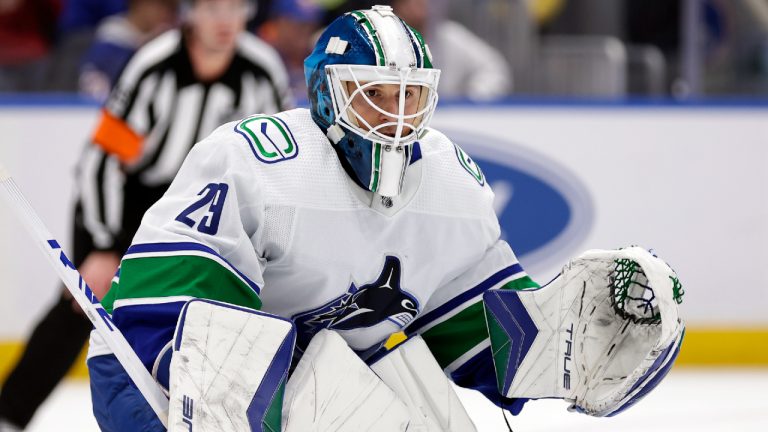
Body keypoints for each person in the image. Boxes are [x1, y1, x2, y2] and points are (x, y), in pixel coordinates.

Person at [84, 5, 683, 431]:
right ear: (327, 94)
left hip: (306, 375)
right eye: (375, 94)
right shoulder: (255, 160)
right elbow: (166, 324)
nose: (397, 117)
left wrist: (569, 345)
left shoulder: (449, 181)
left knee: (418, 400)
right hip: (152, 379)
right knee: (315, 381)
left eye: (411, 96)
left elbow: (480, 330)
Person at [0, 1, 291, 430]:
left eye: (236, 6)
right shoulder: (154, 66)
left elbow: (282, 163)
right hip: (127, 205)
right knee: (82, 305)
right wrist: (102, 246)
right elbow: (101, 162)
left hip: (202, 212)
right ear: (190, 11)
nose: (225, 19)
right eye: (212, 7)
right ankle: (9, 413)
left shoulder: (261, 70)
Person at [391, 0, 512, 100]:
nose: (417, 6)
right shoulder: (383, 41)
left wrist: (471, 99)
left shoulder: (449, 36)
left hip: (447, 117)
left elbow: (494, 69)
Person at [78, 0, 180, 102]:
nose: (167, 14)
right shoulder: (108, 45)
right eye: (162, 5)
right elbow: (95, 98)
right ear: (138, 4)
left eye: (173, 8)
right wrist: (148, 49)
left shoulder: (172, 41)